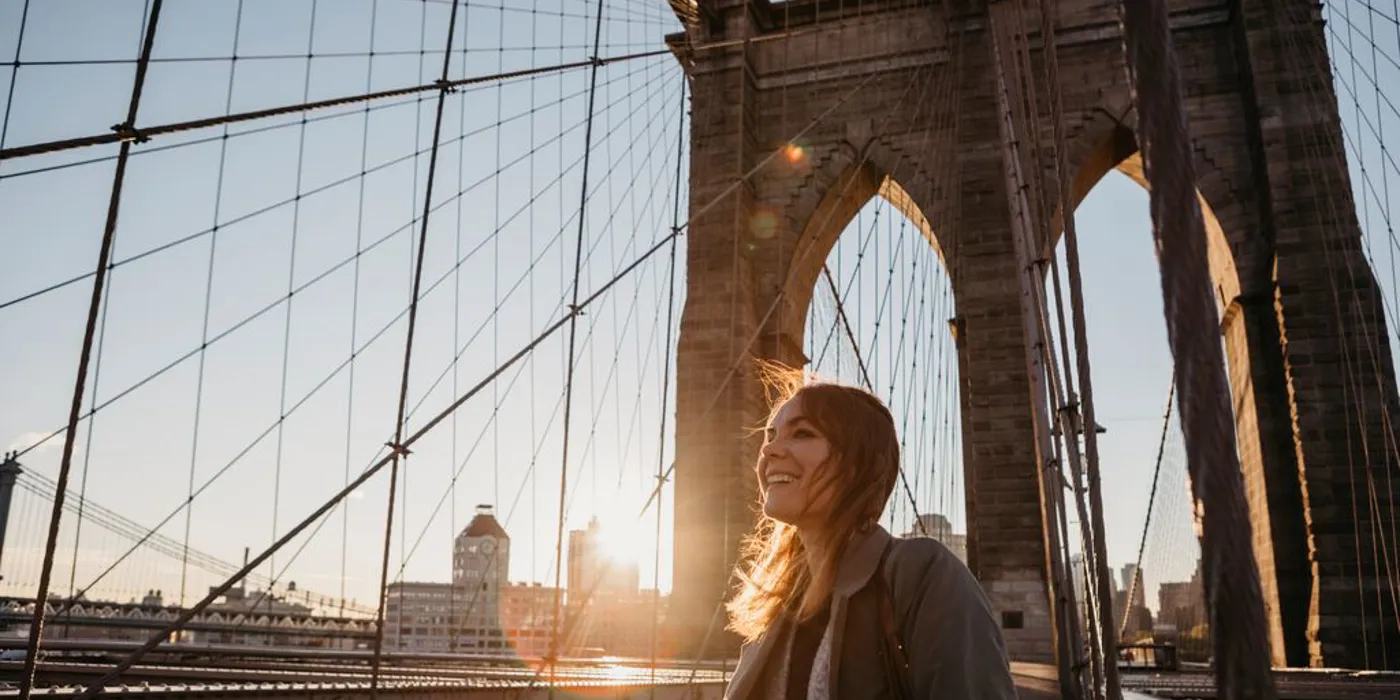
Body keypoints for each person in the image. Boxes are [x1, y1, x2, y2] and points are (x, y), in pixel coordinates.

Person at [724, 373, 1017, 700]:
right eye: (771, 435)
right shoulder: (771, 600)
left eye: (802, 433)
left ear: (861, 465)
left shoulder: (922, 574)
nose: (770, 450)